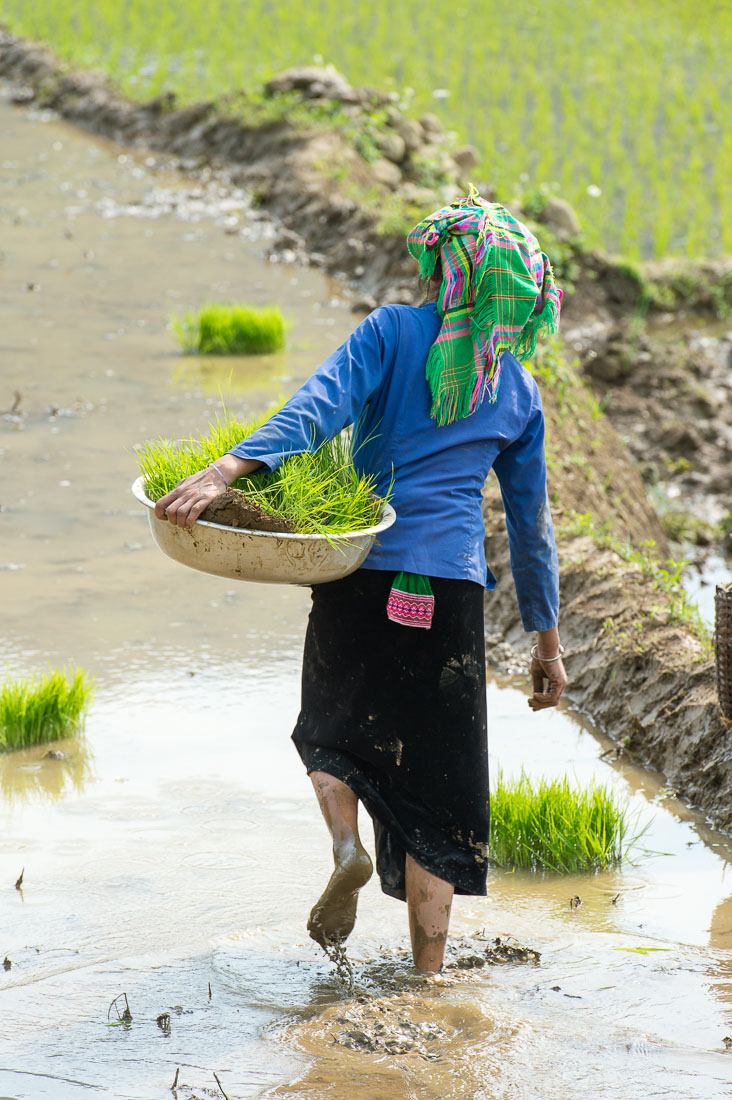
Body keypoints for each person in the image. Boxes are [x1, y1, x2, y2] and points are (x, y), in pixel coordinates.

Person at [155, 190, 568, 973]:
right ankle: (428, 983)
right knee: (440, 799)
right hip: (448, 595)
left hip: (361, 572)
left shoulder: (392, 330)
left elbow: (321, 407)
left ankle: (346, 846)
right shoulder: (517, 389)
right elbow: (530, 527)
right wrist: (548, 641)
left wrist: (227, 469)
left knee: (331, 735)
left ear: (445, 269)